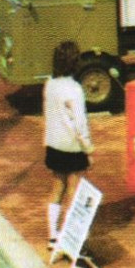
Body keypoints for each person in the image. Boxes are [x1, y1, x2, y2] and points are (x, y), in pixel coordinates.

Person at [43, 40, 93, 247]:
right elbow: (79, 122)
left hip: (53, 143)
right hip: (71, 145)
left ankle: (52, 235)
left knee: (58, 186)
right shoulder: (75, 89)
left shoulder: (50, 84)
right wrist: (88, 147)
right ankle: (70, 235)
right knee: (74, 188)